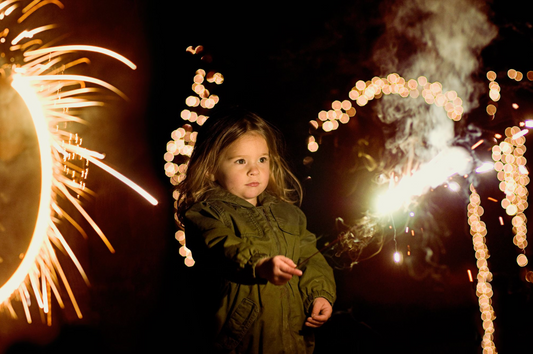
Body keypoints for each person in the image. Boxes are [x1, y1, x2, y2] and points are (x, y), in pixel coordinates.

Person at [175, 107, 336, 354]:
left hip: (293, 342)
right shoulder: (206, 213)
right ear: (211, 167)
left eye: (262, 159)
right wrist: (259, 263)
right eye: (241, 161)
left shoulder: (290, 214)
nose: (255, 170)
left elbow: (309, 259)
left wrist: (319, 295)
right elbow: (221, 246)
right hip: (241, 344)